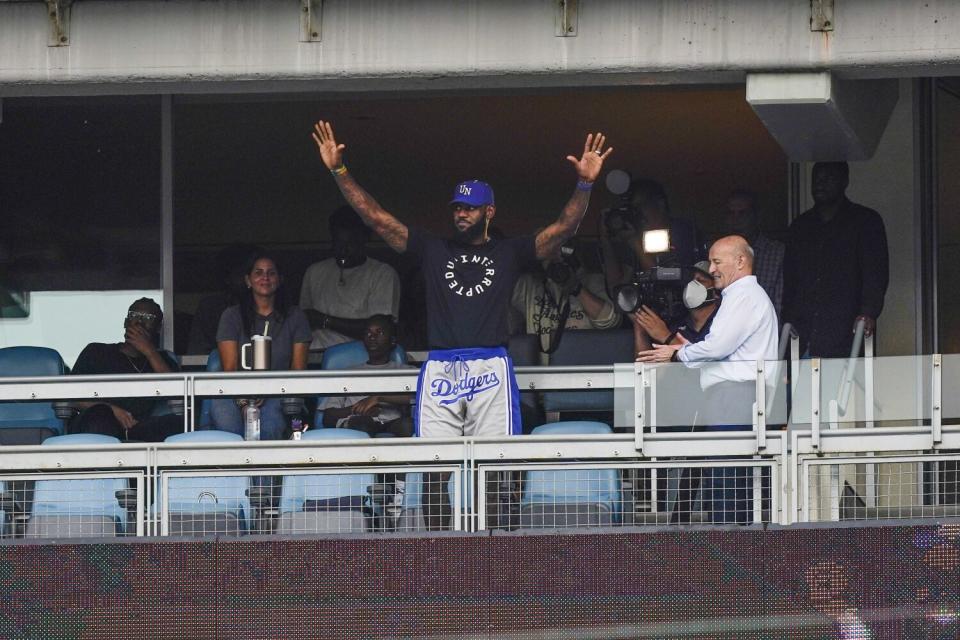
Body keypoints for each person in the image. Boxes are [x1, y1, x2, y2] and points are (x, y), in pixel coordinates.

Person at [311, 119, 612, 528]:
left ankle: (491, 549)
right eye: (457, 207)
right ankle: (441, 554)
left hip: (490, 365)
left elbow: (563, 230)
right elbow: (377, 218)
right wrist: (339, 170)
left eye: (470, 207)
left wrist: (585, 185)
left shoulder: (508, 251)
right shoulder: (432, 249)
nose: (461, 213)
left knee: (494, 468)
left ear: (489, 212)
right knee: (435, 468)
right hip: (441, 367)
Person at [637, 235, 778, 523]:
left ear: (741, 261)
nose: (712, 270)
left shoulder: (744, 295)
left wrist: (676, 355)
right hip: (732, 397)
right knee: (726, 482)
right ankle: (730, 550)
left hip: (736, 396)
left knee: (728, 485)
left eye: (716, 262)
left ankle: (731, 552)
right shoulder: (740, 296)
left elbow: (717, 347)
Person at [630, 261, 720, 523]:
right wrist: (640, 325)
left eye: (702, 280)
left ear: (716, 288)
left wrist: (666, 337)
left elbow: (708, 365)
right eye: (692, 278)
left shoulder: (723, 322)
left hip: (715, 416)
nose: (694, 284)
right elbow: (647, 370)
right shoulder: (678, 323)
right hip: (679, 416)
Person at [783, 162, 889, 358]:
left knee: (844, 386)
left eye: (828, 178)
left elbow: (875, 276)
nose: (820, 184)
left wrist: (868, 313)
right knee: (801, 388)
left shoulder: (865, 221)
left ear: (844, 181)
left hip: (847, 336)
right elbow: (790, 283)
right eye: (816, 179)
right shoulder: (800, 227)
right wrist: (787, 324)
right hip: (802, 336)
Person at [210, 251, 312, 440]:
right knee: (225, 420)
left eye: (271, 273)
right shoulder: (232, 316)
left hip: (281, 392)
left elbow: (298, 370)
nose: (265, 277)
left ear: (280, 280)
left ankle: (266, 470)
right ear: (248, 280)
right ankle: (235, 468)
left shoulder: (295, 316)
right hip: (235, 393)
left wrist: (269, 390)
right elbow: (230, 368)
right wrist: (243, 401)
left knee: (271, 422)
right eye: (258, 272)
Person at [69, 298, 183, 442]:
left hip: (139, 428)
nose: (139, 322)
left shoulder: (163, 359)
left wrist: (149, 351)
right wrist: (112, 410)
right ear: (125, 322)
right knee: (100, 414)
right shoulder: (96, 351)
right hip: (99, 423)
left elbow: (176, 393)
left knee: (175, 423)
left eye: (148, 318)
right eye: (134, 315)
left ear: (158, 327)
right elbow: (72, 398)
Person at [300, 206, 402, 350]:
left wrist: (325, 320)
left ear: (365, 240)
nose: (343, 250)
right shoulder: (314, 272)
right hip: (316, 356)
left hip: (362, 359)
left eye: (350, 243)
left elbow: (381, 329)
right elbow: (304, 321)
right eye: (339, 243)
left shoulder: (382, 274)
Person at [511, 242, 619, 363]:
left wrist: (576, 288)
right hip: (539, 376)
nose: (557, 259)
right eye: (550, 253)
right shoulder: (531, 286)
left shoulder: (593, 281)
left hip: (583, 370)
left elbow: (610, 320)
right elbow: (500, 282)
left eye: (562, 251)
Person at [317, 314, 415, 437]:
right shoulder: (348, 374)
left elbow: (418, 397)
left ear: (392, 340)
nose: (372, 337)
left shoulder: (405, 371)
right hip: (359, 422)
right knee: (362, 424)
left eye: (379, 333)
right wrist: (359, 409)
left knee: (408, 425)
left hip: (392, 422)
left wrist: (378, 398)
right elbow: (328, 417)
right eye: (368, 333)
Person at [600, 178, 701, 291]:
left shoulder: (681, 230)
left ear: (660, 204)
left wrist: (635, 244)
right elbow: (616, 288)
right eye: (632, 209)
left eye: (639, 207)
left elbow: (670, 284)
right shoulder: (635, 235)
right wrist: (605, 238)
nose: (636, 214)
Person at [187, 243, 261, 355]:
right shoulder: (211, 308)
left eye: (255, 273)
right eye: (242, 273)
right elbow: (198, 353)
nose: (248, 279)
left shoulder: (270, 308)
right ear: (227, 277)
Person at [722, 188, 784, 319]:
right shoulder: (718, 254)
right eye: (731, 214)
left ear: (756, 216)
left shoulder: (776, 253)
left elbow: (779, 306)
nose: (736, 220)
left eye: (742, 214)